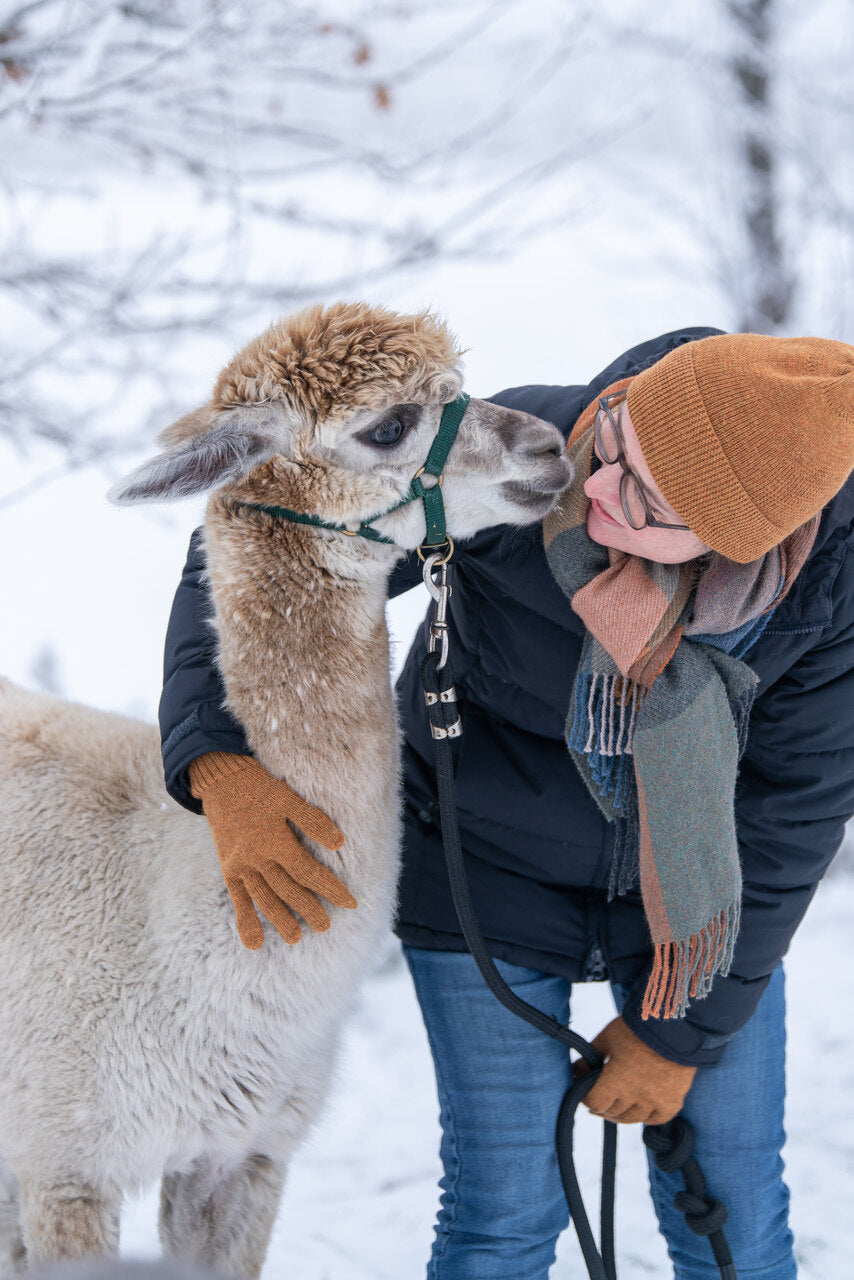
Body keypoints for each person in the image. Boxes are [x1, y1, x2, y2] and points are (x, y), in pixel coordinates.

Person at [159, 326, 854, 1280]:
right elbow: (266, 541)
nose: (596, 489)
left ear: (751, 539)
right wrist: (218, 759)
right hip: (483, 860)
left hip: (701, 901)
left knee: (733, 1214)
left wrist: (676, 1036)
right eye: (616, 448)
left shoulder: (832, 588)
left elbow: (794, 810)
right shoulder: (517, 449)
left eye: (647, 502)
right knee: (505, 1213)